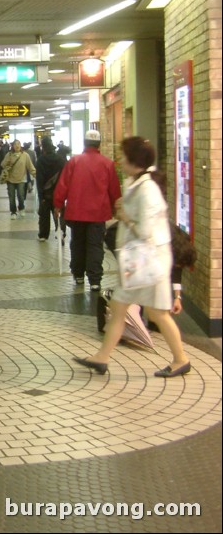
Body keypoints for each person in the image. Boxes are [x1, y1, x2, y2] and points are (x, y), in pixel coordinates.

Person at [74, 136, 191, 378]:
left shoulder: (146, 190)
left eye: (124, 156)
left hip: (148, 263)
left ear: (134, 160)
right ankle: (102, 357)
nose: (120, 161)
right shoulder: (138, 184)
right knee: (119, 307)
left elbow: (145, 230)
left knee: (156, 313)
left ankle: (180, 359)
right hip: (142, 263)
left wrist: (124, 216)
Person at [53, 130, 121, 291]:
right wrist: (115, 208)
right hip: (98, 213)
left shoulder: (74, 162)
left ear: (85, 143)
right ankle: (95, 280)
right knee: (95, 245)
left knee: (77, 243)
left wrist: (58, 205)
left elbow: (62, 185)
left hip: (76, 212)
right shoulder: (107, 164)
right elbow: (114, 191)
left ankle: (78, 275)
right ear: (99, 144)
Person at [35, 137, 66, 242]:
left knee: (44, 215)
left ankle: (43, 234)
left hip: (45, 192)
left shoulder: (40, 161)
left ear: (43, 147)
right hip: (59, 191)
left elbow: (39, 180)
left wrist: (41, 196)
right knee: (59, 213)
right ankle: (61, 232)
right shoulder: (61, 159)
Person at [0, 140, 36, 219]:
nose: (17, 146)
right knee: (11, 196)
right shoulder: (9, 155)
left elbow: (30, 166)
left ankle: (21, 207)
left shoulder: (25, 155)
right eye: (15, 144)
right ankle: (13, 212)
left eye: (19, 144)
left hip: (22, 179)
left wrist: (35, 174)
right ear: (12, 146)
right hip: (10, 179)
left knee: (20, 195)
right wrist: (7, 161)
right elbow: (2, 164)